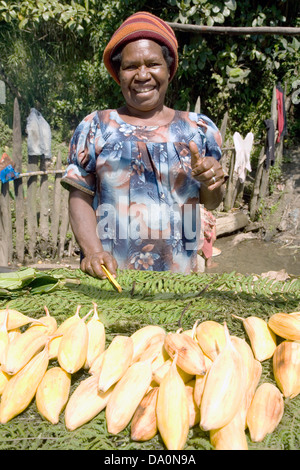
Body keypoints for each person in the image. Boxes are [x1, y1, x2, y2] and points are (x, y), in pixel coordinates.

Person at [61, 11, 226, 280]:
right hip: (111, 276)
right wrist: (92, 252)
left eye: (153, 64)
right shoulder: (97, 127)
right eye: (130, 66)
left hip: (181, 276)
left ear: (169, 69)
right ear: (118, 73)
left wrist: (211, 182)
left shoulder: (198, 130)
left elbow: (212, 202)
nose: (142, 75)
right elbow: (80, 195)